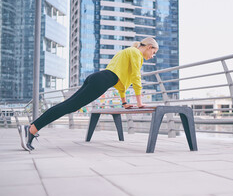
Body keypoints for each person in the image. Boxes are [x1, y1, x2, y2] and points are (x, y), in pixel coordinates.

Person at [19, 37, 159, 151]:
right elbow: (136, 78)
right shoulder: (136, 54)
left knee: (68, 105)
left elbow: (121, 81)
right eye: (153, 53)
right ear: (149, 47)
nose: (152, 56)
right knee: (69, 106)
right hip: (101, 82)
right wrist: (140, 103)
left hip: (98, 78)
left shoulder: (128, 51)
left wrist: (124, 102)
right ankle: (31, 129)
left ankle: (32, 128)